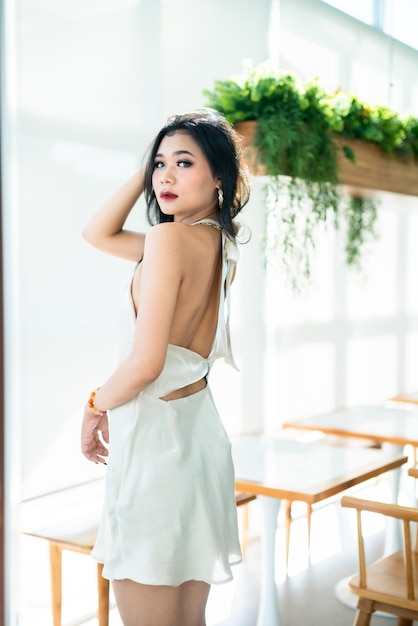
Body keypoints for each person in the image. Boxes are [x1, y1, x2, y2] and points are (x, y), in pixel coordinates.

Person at [80, 109, 250, 626]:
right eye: (159, 165)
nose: (165, 177)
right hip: (198, 442)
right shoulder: (217, 244)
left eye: (183, 163)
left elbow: (147, 362)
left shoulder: (168, 242)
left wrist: (93, 405)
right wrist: (148, 169)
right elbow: (99, 234)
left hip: (157, 451)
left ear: (219, 177)